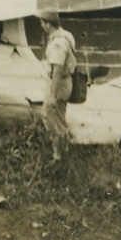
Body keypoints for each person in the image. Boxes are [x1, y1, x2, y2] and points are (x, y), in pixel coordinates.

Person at [39, 10, 76, 162]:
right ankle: (65, 149)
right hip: (63, 84)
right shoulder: (66, 35)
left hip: (59, 85)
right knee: (58, 118)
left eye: (42, 22)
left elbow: (57, 72)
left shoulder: (58, 43)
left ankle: (58, 156)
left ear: (48, 24)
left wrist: (53, 96)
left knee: (50, 116)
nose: (41, 26)